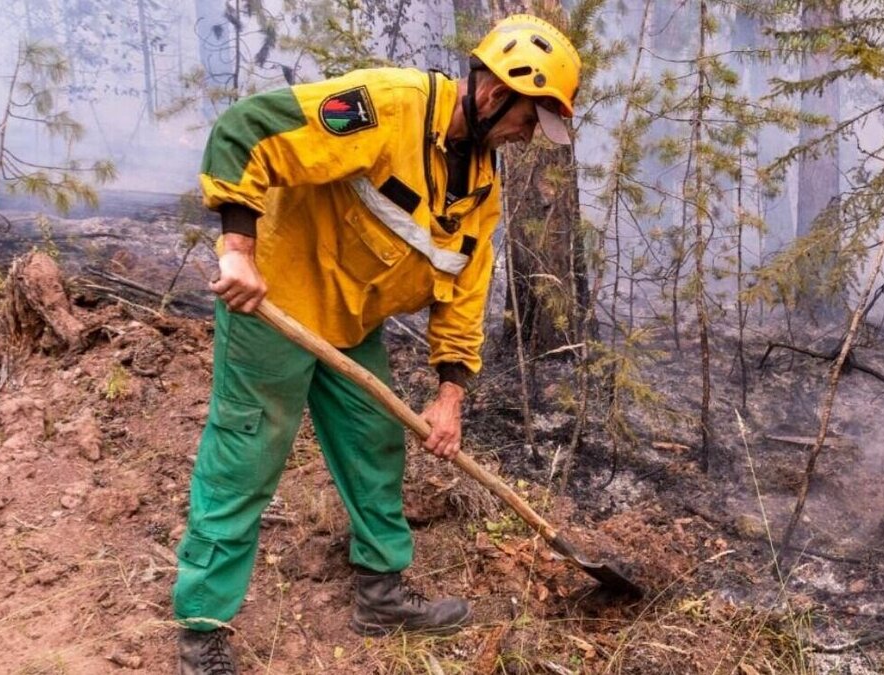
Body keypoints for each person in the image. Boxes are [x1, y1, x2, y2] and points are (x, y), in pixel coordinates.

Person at [172, 15, 582, 675]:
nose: (528, 135)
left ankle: (382, 597)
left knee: (375, 441)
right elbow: (247, 128)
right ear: (494, 91)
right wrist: (238, 247)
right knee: (248, 453)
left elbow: (464, 293)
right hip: (275, 299)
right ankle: (201, 626)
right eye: (530, 119)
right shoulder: (385, 107)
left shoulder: (480, 187)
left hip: (350, 319)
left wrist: (451, 394)